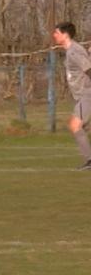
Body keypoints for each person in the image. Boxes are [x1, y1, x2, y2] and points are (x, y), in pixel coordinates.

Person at [51, 22, 91, 170]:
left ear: (65, 34)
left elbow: (88, 69)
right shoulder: (71, 51)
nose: (54, 35)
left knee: (75, 125)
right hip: (82, 95)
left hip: (87, 94)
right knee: (79, 127)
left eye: (56, 33)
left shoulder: (74, 51)